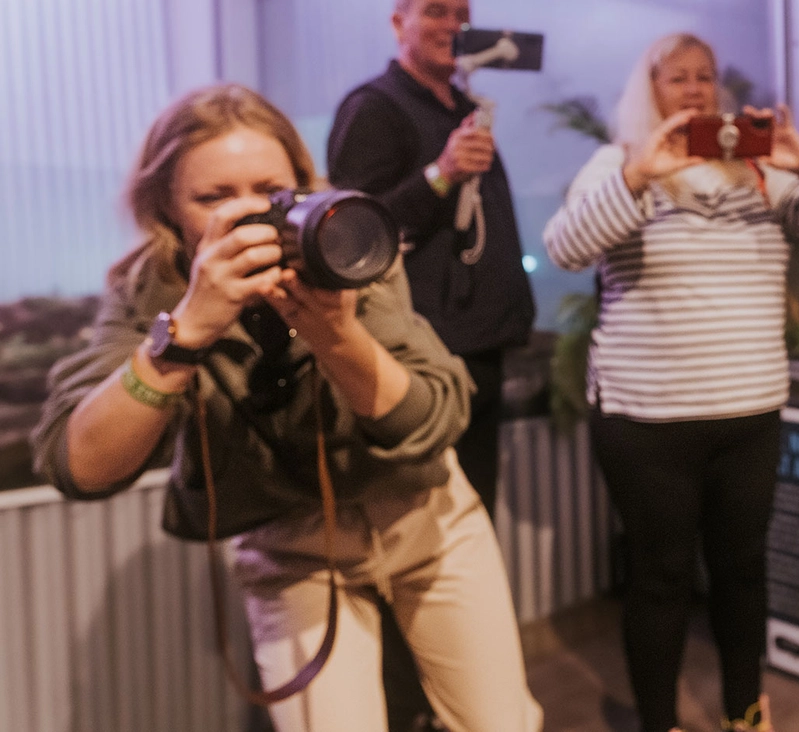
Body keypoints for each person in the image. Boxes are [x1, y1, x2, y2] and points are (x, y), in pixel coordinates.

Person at [30, 84, 543, 732]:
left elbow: (437, 420)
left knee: (503, 724)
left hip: (426, 519)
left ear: (303, 187)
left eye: (269, 190)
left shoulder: (347, 246)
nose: (245, 213)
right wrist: (184, 335)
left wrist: (339, 337)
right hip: (292, 549)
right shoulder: (150, 290)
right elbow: (78, 465)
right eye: (213, 197)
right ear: (166, 205)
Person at [542, 32, 799, 732]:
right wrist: (638, 177)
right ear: (649, 88)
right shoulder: (617, 162)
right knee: (660, 582)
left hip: (749, 409)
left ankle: (744, 715)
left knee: (743, 572)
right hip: (647, 418)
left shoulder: (758, 172)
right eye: (677, 77)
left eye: (706, 77)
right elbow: (565, 248)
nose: (694, 89)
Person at [327, 0, 535, 517]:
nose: (454, 26)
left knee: (475, 511)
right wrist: (439, 175)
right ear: (400, 23)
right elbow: (348, 237)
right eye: (436, 12)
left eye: (463, 15)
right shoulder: (372, 108)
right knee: (422, 517)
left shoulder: (465, 112)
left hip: (481, 343)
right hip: (422, 349)